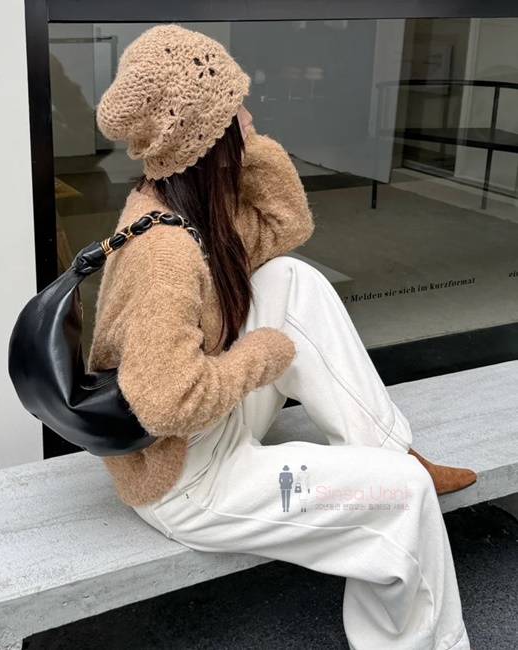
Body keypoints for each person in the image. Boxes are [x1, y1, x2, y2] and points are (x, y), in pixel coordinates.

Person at [89, 24, 476, 650]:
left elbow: (286, 225)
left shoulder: (185, 205)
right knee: (403, 499)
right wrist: (259, 356)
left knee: (291, 278)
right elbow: (164, 403)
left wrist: (250, 148)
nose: (250, 115)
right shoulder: (163, 252)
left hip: (205, 430)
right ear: (205, 135)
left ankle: (390, 449)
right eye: (235, 109)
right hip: (188, 480)